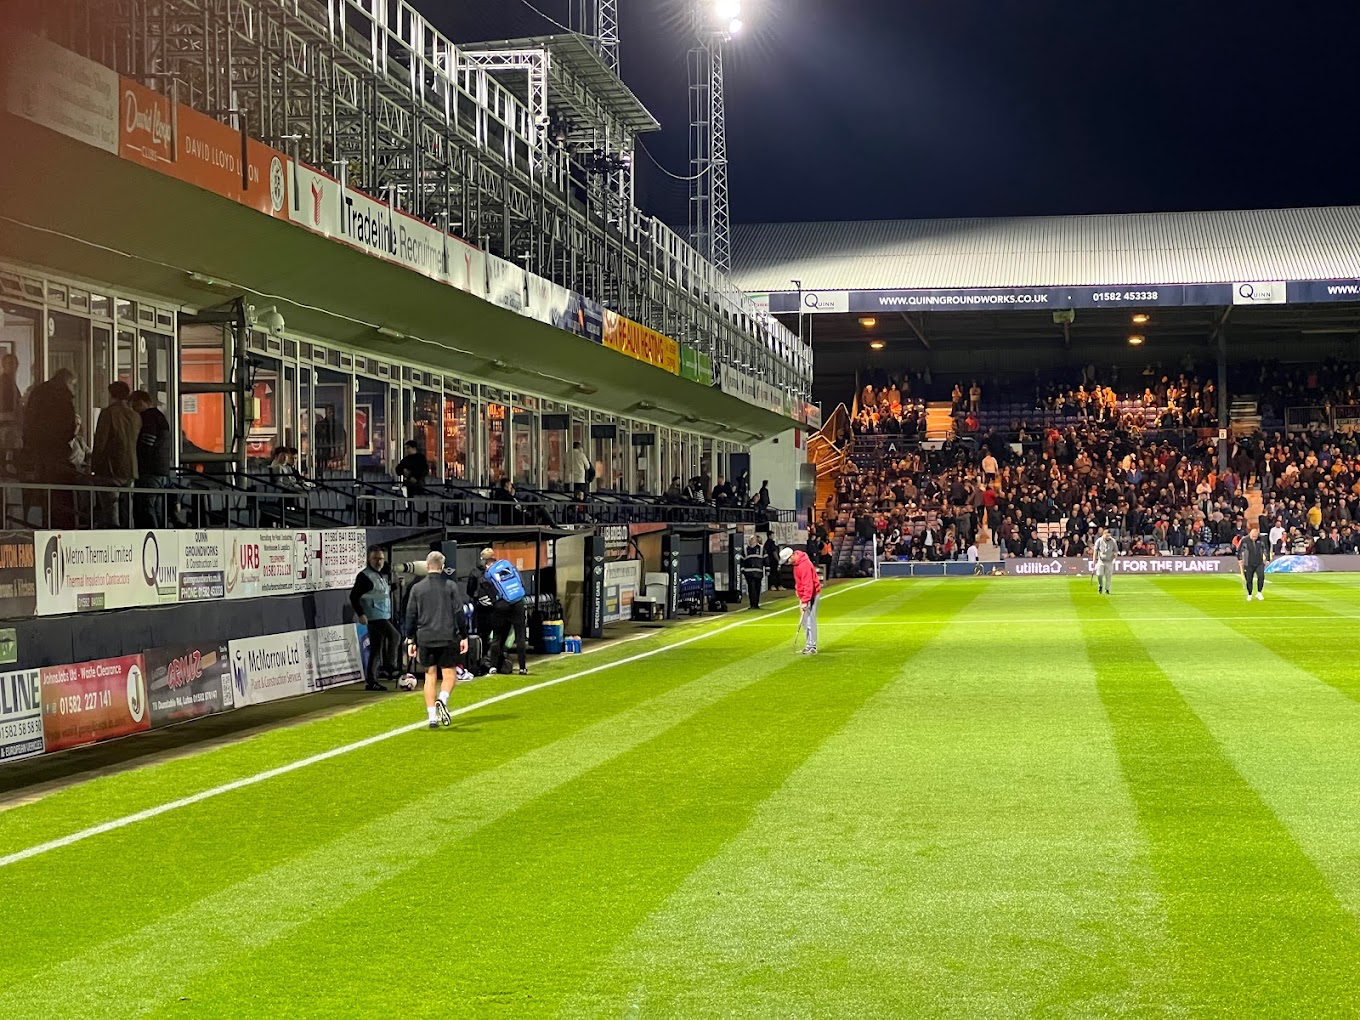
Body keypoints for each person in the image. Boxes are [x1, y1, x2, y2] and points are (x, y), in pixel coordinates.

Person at [404, 550, 469, 728]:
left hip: (425, 638)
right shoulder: (450, 586)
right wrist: (464, 635)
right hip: (447, 636)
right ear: (442, 567)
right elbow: (459, 612)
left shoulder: (417, 588)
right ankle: (443, 698)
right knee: (449, 674)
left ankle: (432, 717)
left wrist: (410, 639)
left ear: (426, 566)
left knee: (429, 676)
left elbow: (410, 615)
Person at [90, 381, 141, 527]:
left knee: (111, 513)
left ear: (111, 394)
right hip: (130, 468)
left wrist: (94, 467)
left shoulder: (108, 414)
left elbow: (100, 442)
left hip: (110, 470)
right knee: (127, 512)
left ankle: (114, 542)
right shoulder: (135, 416)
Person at [350, 546, 399, 691]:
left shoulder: (379, 574)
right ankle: (390, 667)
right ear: (369, 560)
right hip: (374, 615)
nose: (379, 562)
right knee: (395, 636)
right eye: (375, 559)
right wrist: (361, 614)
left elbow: (383, 591)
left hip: (382, 614)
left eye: (381, 559)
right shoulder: (365, 576)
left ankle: (371, 681)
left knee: (376, 648)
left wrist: (396, 585)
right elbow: (353, 596)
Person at [480, 555, 530, 676]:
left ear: (486, 562)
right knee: (520, 636)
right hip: (517, 602)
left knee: (497, 636)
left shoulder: (488, 574)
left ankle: (493, 666)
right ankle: (522, 667)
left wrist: (496, 602)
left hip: (501, 605)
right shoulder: (508, 566)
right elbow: (521, 583)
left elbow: (489, 592)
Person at [130, 390, 173, 528]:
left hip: (149, 470)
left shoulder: (148, 417)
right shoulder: (160, 417)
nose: (133, 410)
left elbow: (147, 442)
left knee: (146, 507)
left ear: (141, 402)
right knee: (157, 508)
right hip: (162, 470)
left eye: (134, 405)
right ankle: (161, 535)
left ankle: (151, 534)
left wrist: (137, 457)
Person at [780, 545, 823, 655]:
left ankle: (812, 646)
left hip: (812, 594)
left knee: (810, 620)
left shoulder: (804, 565)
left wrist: (805, 601)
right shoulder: (796, 564)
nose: (787, 563)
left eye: (788, 560)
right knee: (805, 621)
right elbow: (799, 582)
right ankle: (808, 645)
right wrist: (798, 592)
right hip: (805, 595)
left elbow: (808, 585)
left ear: (792, 555)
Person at [1239, 525, 1269, 602]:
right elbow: (1239, 550)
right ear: (1250, 534)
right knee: (1249, 579)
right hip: (1248, 563)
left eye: (1255, 537)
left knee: (1261, 576)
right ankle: (1249, 594)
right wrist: (1240, 559)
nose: (1254, 538)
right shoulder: (1245, 540)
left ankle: (1259, 592)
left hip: (1259, 562)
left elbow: (1266, 549)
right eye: (1253, 537)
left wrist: (1267, 558)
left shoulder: (1262, 539)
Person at [741, 535, 766, 609]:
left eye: (752, 539)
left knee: (757, 588)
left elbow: (766, 559)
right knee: (751, 588)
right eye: (750, 539)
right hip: (749, 573)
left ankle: (756, 604)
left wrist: (767, 569)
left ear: (756, 540)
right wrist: (743, 570)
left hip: (758, 573)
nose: (750, 541)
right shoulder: (745, 549)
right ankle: (752, 604)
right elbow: (742, 560)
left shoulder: (761, 549)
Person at [1093, 527, 1117, 595]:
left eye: (1109, 536)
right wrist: (1094, 561)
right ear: (1103, 534)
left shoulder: (1113, 541)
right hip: (1101, 561)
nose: (1108, 537)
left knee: (1108, 576)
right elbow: (1095, 551)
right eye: (1106, 536)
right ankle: (1100, 585)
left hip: (1109, 561)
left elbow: (1115, 551)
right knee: (1099, 575)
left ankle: (1107, 589)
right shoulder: (1099, 541)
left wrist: (1114, 559)